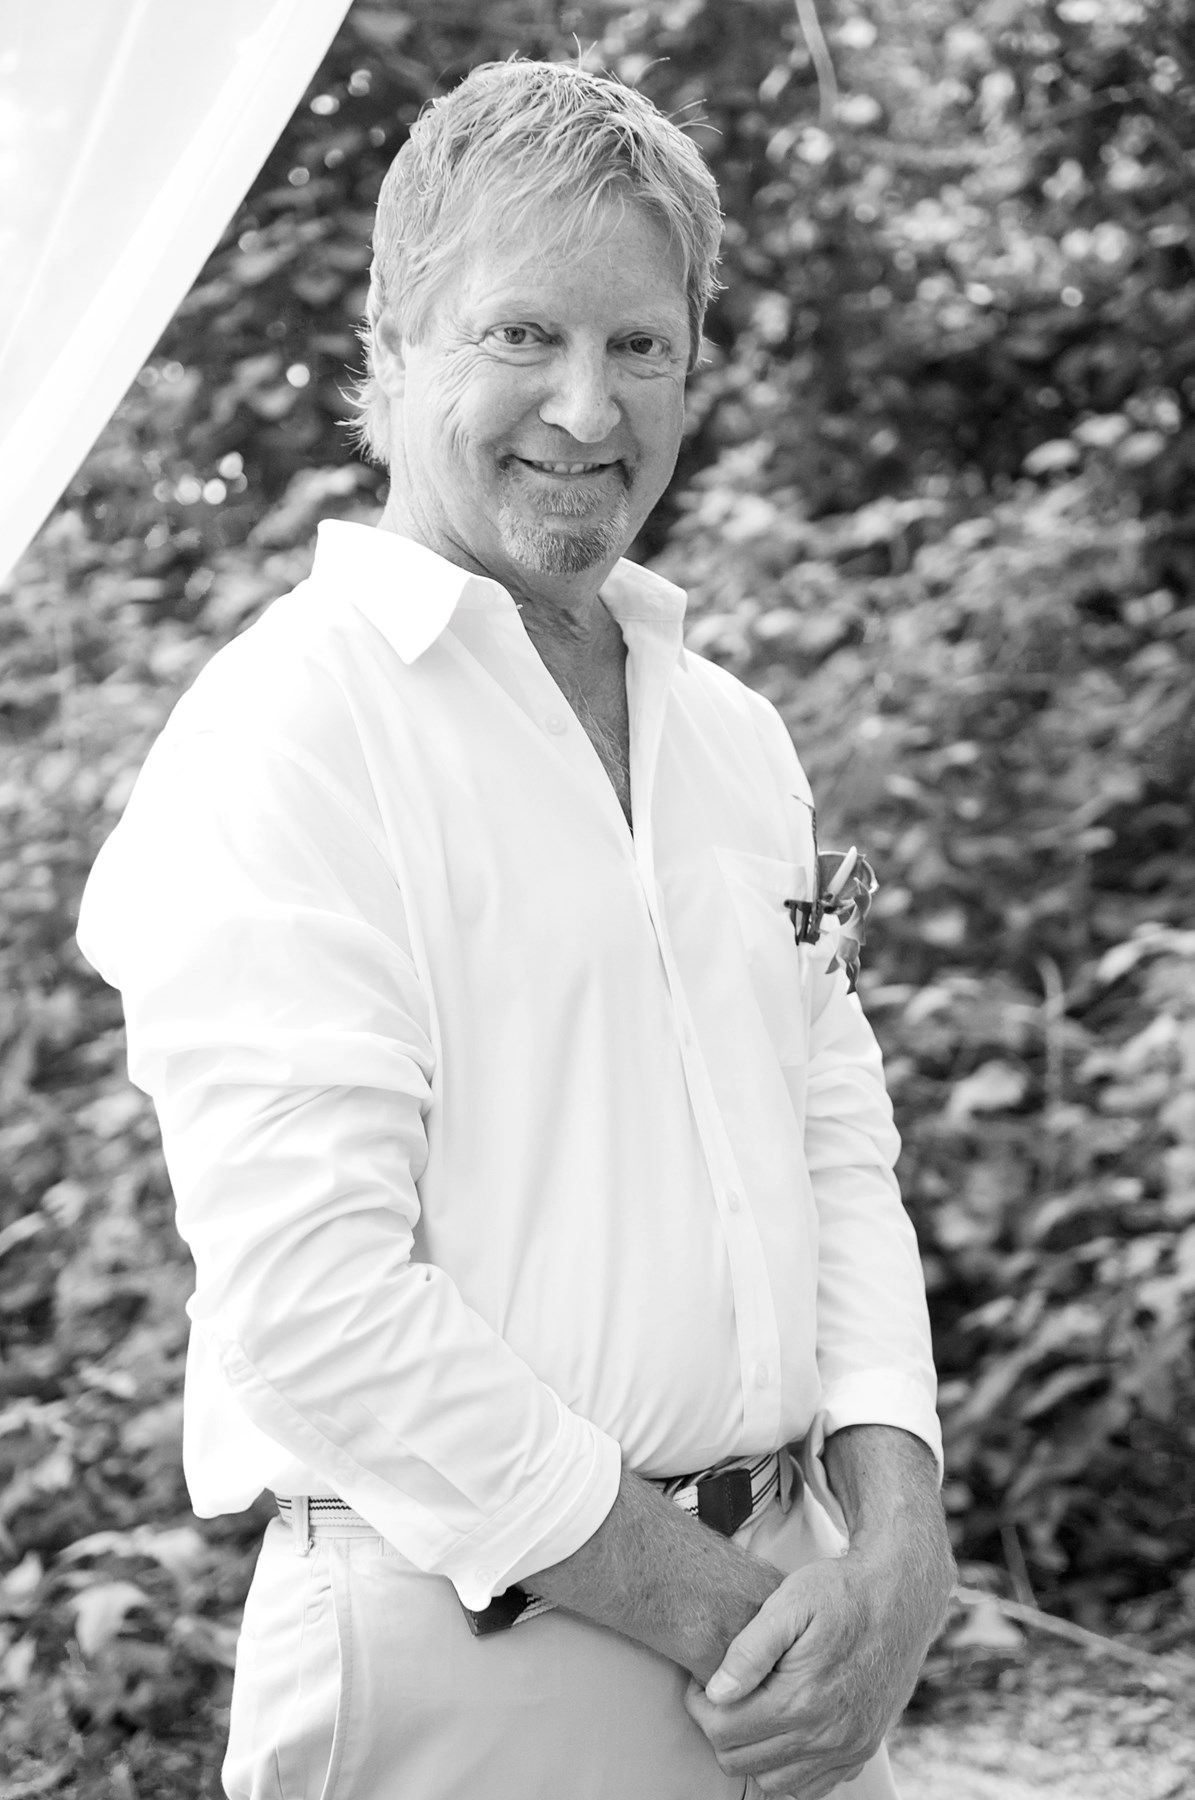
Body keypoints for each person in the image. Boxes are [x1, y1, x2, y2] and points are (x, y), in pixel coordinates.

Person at [77, 58, 954, 1800]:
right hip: (472, 1663)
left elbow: (835, 1152)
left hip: (792, 1639)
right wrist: (728, 1618)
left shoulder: (734, 736)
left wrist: (900, 1556)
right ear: (394, 344)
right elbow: (315, 1300)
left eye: (641, 345)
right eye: (521, 334)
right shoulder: (289, 731)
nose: (586, 404)